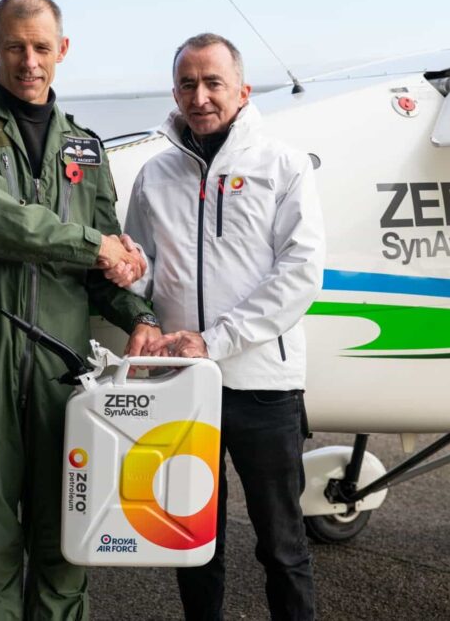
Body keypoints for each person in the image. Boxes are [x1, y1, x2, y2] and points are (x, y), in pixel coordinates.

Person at [0, 0, 161, 620]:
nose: (29, 61)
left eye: (40, 47)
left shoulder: (85, 147)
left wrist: (139, 317)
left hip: (63, 375)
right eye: (14, 46)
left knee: (66, 546)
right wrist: (94, 244)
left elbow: (101, 270)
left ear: (62, 50)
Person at [124, 33, 325, 620]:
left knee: (283, 546)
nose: (200, 96)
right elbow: (147, 270)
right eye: (188, 84)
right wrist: (128, 273)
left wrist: (216, 341)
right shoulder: (153, 175)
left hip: (264, 387)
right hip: (181, 385)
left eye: (213, 82)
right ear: (175, 92)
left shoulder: (283, 166)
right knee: (192, 543)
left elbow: (301, 273)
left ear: (243, 89)